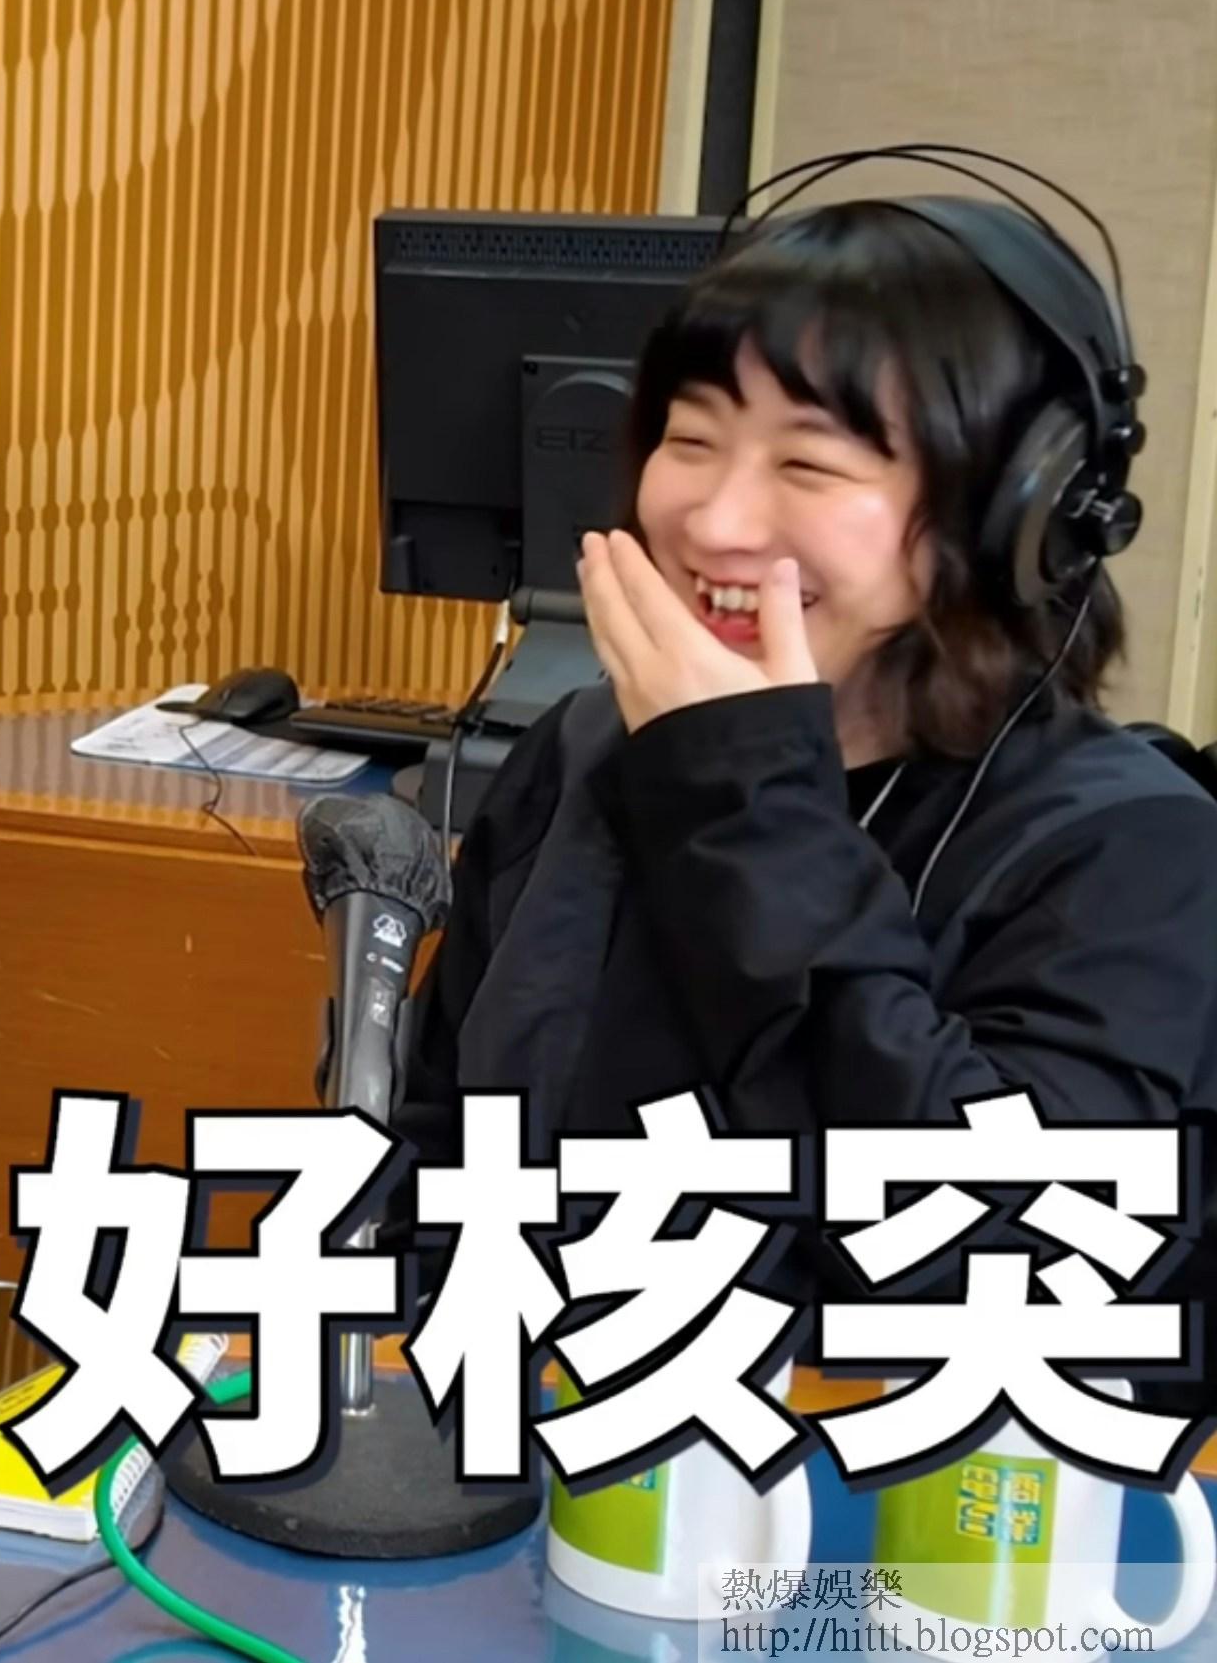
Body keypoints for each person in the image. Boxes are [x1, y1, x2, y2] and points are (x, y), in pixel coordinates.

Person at [393, 188, 1217, 1397]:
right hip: (545, 1454)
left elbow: (1005, 1257)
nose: (717, 520)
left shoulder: (1135, 850)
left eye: (809, 463)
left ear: (1016, 514)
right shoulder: (587, 750)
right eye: (690, 441)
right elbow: (443, 1160)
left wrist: (745, 801)